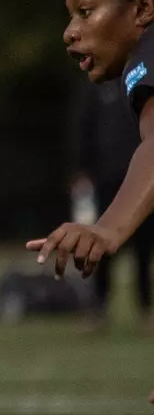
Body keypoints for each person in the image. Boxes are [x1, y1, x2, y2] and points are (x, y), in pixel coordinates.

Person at [32, 0, 154, 291]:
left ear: (144, 8)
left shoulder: (148, 53)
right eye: (71, 17)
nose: (70, 32)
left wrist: (107, 227)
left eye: (86, 11)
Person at [68, 75, 154, 331]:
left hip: (140, 180)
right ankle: (98, 308)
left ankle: (146, 309)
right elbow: (83, 126)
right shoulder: (97, 86)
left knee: (143, 248)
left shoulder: (144, 83)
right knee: (100, 245)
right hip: (106, 177)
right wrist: (80, 170)